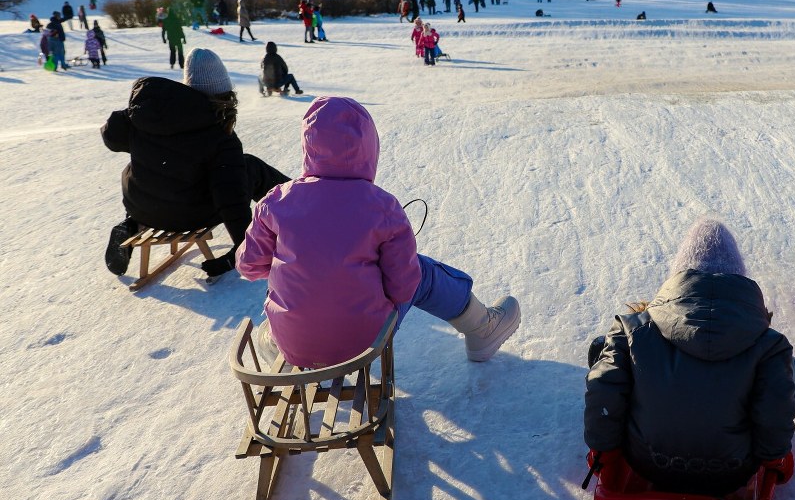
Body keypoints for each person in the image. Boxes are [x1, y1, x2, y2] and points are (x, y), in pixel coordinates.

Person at [235, 96, 521, 368]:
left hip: (293, 340)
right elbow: (404, 286)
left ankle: (288, 346)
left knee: (287, 309)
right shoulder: (382, 207)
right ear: (369, 147)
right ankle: (482, 327)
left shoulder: (277, 201)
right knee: (422, 272)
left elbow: (249, 266)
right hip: (365, 341)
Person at [584, 218, 795, 496]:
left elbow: (603, 391)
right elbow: (774, 408)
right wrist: (774, 460)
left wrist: (605, 453)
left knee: (618, 362)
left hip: (647, 462)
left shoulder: (633, 331)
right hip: (732, 472)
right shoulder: (768, 346)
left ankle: (608, 357)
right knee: (782, 370)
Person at [102, 48, 289, 279]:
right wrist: (242, 250)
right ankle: (299, 201)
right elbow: (230, 199)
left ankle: (130, 225)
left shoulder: (145, 113)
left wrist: (130, 117)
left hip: (142, 208)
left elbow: (110, 136)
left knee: (144, 165)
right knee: (249, 167)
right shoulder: (220, 137)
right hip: (190, 215)